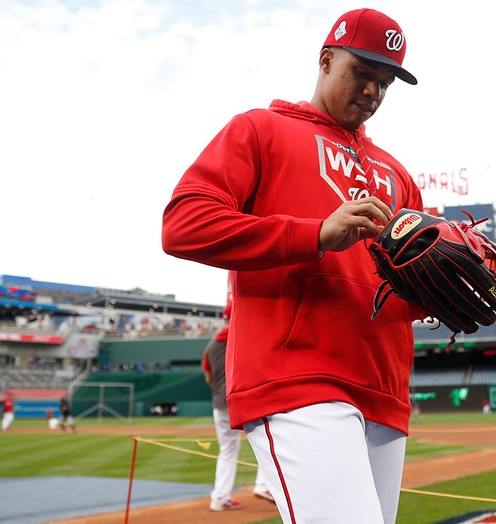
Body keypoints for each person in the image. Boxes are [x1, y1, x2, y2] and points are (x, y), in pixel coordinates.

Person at [161, 8, 422, 524]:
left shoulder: (398, 174)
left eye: (385, 83)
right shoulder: (261, 129)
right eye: (363, 74)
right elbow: (184, 223)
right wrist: (314, 233)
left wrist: (446, 296)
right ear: (326, 61)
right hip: (297, 376)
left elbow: (407, 281)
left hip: (384, 383)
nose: (373, 92)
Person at [202, 300, 272, 512]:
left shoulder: (210, 345)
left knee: (228, 449)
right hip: (242, 398)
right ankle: (263, 484)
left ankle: (220, 497)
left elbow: (208, 377)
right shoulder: (243, 337)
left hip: (218, 402)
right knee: (270, 439)